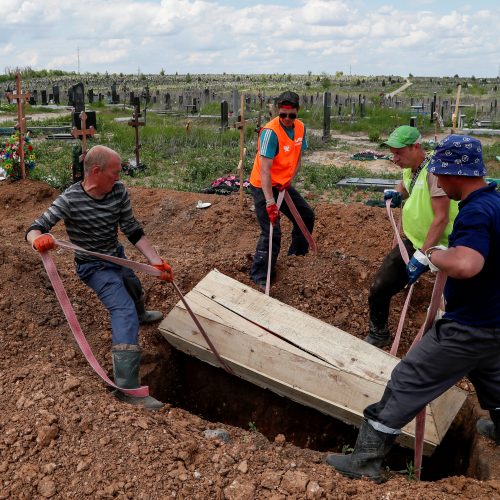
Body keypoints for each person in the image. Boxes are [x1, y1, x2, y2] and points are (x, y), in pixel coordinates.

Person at [326, 134, 500, 483]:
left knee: (407, 380)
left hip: (468, 327)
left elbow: (467, 264)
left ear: (455, 175)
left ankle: (365, 459)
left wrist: (434, 256)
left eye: (441, 176)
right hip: (494, 322)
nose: (439, 182)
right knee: (495, 382)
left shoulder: (476, 212)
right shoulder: (494, 202)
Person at [26, 145, 172, 410]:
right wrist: (39, 240)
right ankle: (127, 389)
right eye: (114, 173)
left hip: (116, 256)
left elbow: (132, 229)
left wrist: (155, 262)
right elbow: (35, 228)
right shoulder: (70, 200)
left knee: (133, 284)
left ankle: (141, 315)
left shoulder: (118, 191)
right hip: (93, 267)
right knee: (122, 309)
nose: (118, 177)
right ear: (96, 171)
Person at [366, 125, 459, 347]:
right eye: (392, 152)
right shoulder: (411, 168)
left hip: (445, 247)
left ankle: (446, 348)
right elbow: (406, 185)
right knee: (380, 286)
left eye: (399, 152)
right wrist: (397, 193)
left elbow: (441, 218)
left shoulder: (435, 173)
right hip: (416, 242)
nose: (394, 158)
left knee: (451, 307)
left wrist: (423, 255)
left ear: (415, 146)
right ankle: (379, 334)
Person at [248, 91, 314, 288]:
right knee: (271, 231)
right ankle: (259, 275)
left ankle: (296, 257)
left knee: (306, 216)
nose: (287, 119)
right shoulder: (270, 133)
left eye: (291, 115)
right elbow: (265, 171)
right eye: (283, 115)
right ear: (278, 112)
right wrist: (269, 202)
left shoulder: (301, 128)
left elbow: (297, 158)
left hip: (282, 184)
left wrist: (289, 179)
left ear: (297, 112)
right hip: (263, 186)